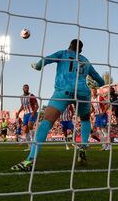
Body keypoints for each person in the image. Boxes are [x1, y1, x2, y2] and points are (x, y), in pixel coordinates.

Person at [11, 39, 105, 171]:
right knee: (84, 119)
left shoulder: (63, 53)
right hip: (83, 92)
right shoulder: (85, 60)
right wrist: (94, 85)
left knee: (46, 122)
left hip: (64, 91)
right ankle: (83, 146)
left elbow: (46, 59)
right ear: (81, 50)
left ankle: (30, 160)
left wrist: (37, 66)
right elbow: (100, 81)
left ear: (69, 45)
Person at [15, 84, 39, 151]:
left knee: (30, 125)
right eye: (25, 88)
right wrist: (19, 112)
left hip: (32, 113)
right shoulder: (21, 97)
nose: (26, 89)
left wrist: (33, 113)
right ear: (23, 89)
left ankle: (35, 140)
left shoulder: (31, 96)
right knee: (25, 129)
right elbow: (23, 105)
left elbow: (37, 106)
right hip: (25, 114)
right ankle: (30, 147)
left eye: (27, 88)